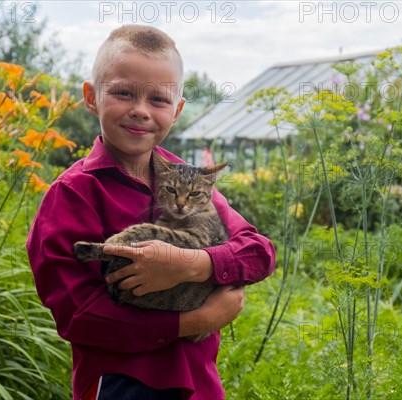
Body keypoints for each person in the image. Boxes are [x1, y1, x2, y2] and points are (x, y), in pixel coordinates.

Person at [26, 25, 276, 400]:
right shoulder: (73, 194)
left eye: (158, 100)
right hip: (122, 386)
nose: (140, 111)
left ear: (176, 111)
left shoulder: (189, 181)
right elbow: (81, 318)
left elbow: (260, 253)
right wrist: (195, 321)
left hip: (201, 387)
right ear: (92, 98)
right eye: (124, 93)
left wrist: (194, 265)